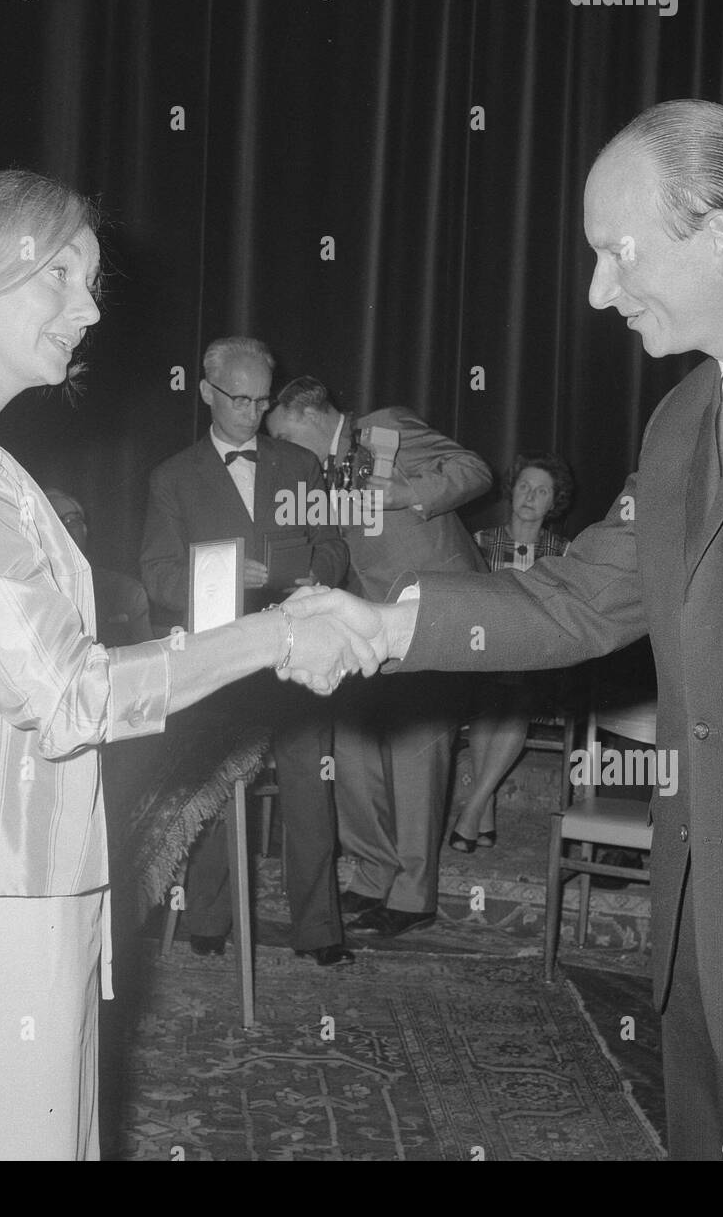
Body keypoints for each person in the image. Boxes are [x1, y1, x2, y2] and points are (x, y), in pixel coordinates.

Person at [283, 99, 723, 1159]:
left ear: (721, 236)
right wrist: (382, 625)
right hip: (699, 951)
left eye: (617, 252)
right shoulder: (681, 416)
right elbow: (578, 597)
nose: (598, 290)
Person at [0, 170, 377, 1160]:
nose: (89, 309)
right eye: (61, 276)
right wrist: (277, 636)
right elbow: (68, 694)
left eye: (90, 281)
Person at [139, 337, 353, 966]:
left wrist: (313, 571)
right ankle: (208, 918)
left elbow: (334, 546)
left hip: (296, 647)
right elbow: (158, 574)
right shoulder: (172, 477)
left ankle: (320, 929)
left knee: (311, 791)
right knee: (213, 787)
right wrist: (228, 578)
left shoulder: (301, 465)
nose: (254, 413)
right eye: (240, 400)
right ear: (206, 392)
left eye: (263, 401)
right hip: (222, 658)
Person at [267, 380, 491, 938]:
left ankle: (414, 894)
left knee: (416, 752)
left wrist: (405, 493)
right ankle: (372, 874)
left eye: (283, 434)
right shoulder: (312, 472)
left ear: (308, 413)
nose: (280, 448)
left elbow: (475, 471)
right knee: (351, 750)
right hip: (364, 621)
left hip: (433, 612)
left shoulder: (383, 426)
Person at [449, 453, 573, 852]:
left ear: (553, 502)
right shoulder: (480, 542)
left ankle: (472, 811)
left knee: (515, 697)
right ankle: (483, 811)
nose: (530, 496)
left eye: (542, 491)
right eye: (524, 487)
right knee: (488, 694)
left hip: (540, 661)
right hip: (485, 654)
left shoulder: (564, 553)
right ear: (512, 491)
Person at [43, 488, 153, 648]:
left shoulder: (126, 592)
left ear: (85, 530)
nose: (65, 530)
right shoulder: (23, 594)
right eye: (53, 522)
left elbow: (148, 656)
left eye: (72, 520)